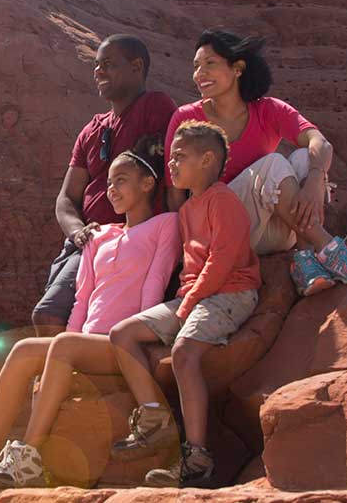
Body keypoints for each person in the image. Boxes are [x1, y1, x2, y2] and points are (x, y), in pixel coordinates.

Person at [0, 151, 181, 488]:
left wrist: (140, 337)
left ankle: (27, 456)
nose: (112, 189)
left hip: (125, 344)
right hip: (84, 343)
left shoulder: (164, 225)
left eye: (121, 180)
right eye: (108, 182)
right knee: (24, 349)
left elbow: (155, 285)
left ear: (147, 184)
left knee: (63, 344)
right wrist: (64, 349)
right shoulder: (99, 236)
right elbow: (82, 299)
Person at [162, 29, 347, 297]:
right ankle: (329, 250)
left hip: (267, 231)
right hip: (219, 232)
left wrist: (314, 180)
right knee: (274, 163)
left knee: (304, 157)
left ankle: (304, 259)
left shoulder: (268, 110)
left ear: (238, 68)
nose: (199, 74)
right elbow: (174, 193)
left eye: (210, 64)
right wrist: (192, 249)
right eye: (196, 67)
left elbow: (320, 142)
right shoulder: (187, 118)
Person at [107, 121, 261, 487]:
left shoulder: (222, 199)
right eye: (171, 157)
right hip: (194, 296)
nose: (171, 164)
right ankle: (154, 418)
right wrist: (186, 300)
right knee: (122, 334)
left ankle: (197, 458)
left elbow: (222, 261)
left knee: (184, 353)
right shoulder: (190, 207)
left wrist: (189, 301)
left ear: (207, 160)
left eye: (180, 157)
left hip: (230, 292)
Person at [34, 34, 178, 331]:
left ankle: (59, 373)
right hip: (86, 243)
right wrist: (78, 233)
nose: (98, 71)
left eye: (108, 64)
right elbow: (65, 199)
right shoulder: (91, 130)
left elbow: (173, 173)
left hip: (128, 242)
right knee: (65, 317)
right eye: (96, 65)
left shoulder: (155, 107)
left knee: (49, 314)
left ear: (136, 67)